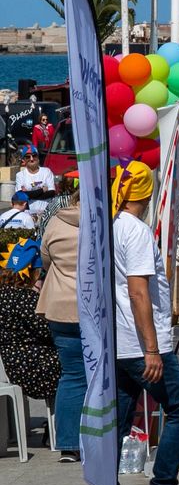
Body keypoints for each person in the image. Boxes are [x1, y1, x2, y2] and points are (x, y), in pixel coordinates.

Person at [101, 162, 179, 485]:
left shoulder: (110, 227)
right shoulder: (135, 230)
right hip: (138, 343)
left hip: (118, 341)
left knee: (120, 420)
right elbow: (138, 291)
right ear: (146, 193)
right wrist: (152, 349)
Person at [36, 193, 82, 462]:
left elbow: (45, 261)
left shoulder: (55, 222)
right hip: (94, 308)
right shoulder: (105, 223)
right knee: (104, 375)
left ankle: (68, 444)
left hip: (60, 307)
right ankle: (100, 439)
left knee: (71, 375)